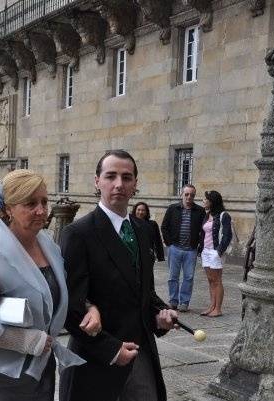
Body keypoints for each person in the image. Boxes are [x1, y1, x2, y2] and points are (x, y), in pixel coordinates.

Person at [0, 169, 88, 401]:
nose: (41, 210)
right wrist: (25, 340)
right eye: (30, 203)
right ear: (8, 209)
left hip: (37, 368)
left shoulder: (50, 248)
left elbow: (53, 293)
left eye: (44, 201)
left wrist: (89, 306)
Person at [59, 150, 177, 401]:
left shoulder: (142, 230)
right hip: (96, 357)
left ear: (135, 184)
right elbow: (70, 306)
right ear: (97, 181)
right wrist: (112, 350)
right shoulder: (78, 233)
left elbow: (142, 291)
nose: (118, 184)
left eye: (126, 177)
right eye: (110, 176)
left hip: (141, 353)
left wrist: (161, 315)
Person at [161, 184, 206, 311]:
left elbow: (203, 231)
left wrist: (199, 246)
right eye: (186, 194)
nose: (189, 197)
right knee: (173, 276)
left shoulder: (200, 211)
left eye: (192, 195)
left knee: (188, 277)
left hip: (191, 250)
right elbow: (164, 227)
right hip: (175, 248)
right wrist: (169, 243)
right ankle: (173, 301)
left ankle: (184, 302)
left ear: (194, 196)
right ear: (182, 195)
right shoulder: (173, 208)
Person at [198, 190, 232, 317]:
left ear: (212, 201)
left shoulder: (224, 215)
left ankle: (218, 309)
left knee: (217, 280)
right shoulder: (207, 215)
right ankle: (211, 306)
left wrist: (219, 251)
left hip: (215, 251)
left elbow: (227, 235)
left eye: (206, 199)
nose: (203, 201)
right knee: (210, 280)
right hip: (205, 251)